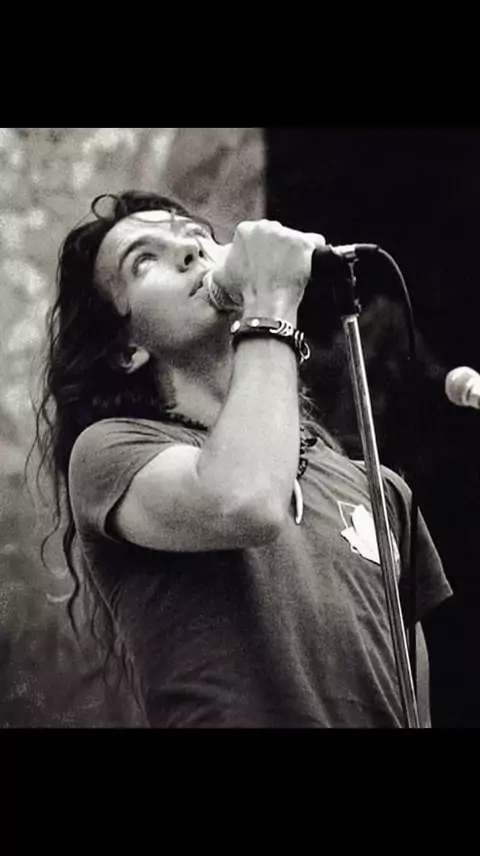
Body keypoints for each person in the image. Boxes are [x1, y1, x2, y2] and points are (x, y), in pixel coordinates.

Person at [37, 190, 452, 728]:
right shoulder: (111, 453)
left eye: (196, 234)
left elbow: (415, 708)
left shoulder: (379, 489)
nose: (189, 249)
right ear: (127, 350)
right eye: (145, 260)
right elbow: (246, 501)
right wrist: (271, 304)